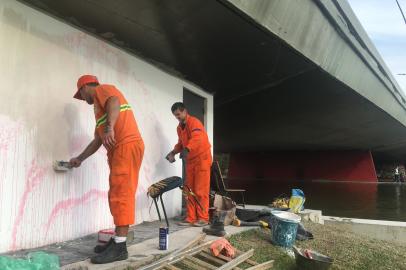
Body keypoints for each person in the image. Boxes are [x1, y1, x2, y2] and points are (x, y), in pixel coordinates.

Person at [69, 75, 144, 264]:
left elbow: (114, 101)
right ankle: (117, 240)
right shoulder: (99, 110)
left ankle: (120, 247)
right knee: (116, 193)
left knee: (122, 193)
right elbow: (97, 140)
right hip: (120, 149)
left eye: (81, 93)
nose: (83, 97)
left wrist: (110, 128)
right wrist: (80, 158)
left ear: (86, 86)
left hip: (126, 145)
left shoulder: (103, 91)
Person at [166, 102, 212, 227]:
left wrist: (187, 149)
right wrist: (173, 153)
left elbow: (198, 138)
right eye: (175, 116)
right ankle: (191, 218)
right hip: (191, 161)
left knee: (200, 190)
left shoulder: (195, 122)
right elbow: (181, 143)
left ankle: (203, 218)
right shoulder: (179, 128)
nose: (177, 117)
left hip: (202, 160)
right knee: (188, 190)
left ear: (185, 111)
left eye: (179, 114)